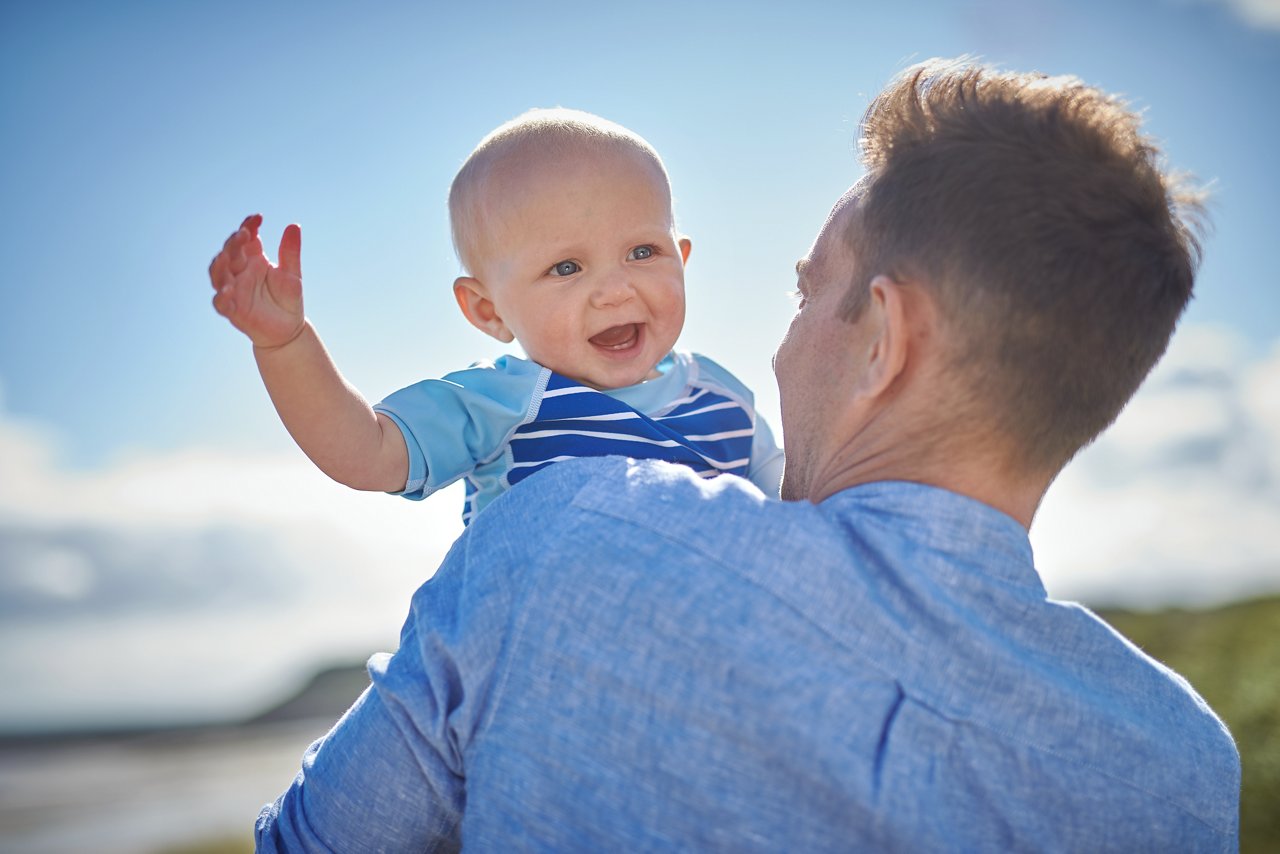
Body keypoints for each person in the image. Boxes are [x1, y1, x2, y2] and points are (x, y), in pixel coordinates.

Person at [254, 59, 1241, 851]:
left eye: (807, 293)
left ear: (880, 338)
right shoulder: (1183, 761)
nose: (778, 344)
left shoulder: (556, 534)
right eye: (567, 265)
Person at [208, 110, 783, 525]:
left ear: (680, 260)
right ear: (488, 310)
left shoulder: (722, 397)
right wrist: (286, 345)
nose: (614, 289)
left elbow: (795, 503)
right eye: (565, 267)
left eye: (641, 252)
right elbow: (367, 453)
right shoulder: (502, 400)